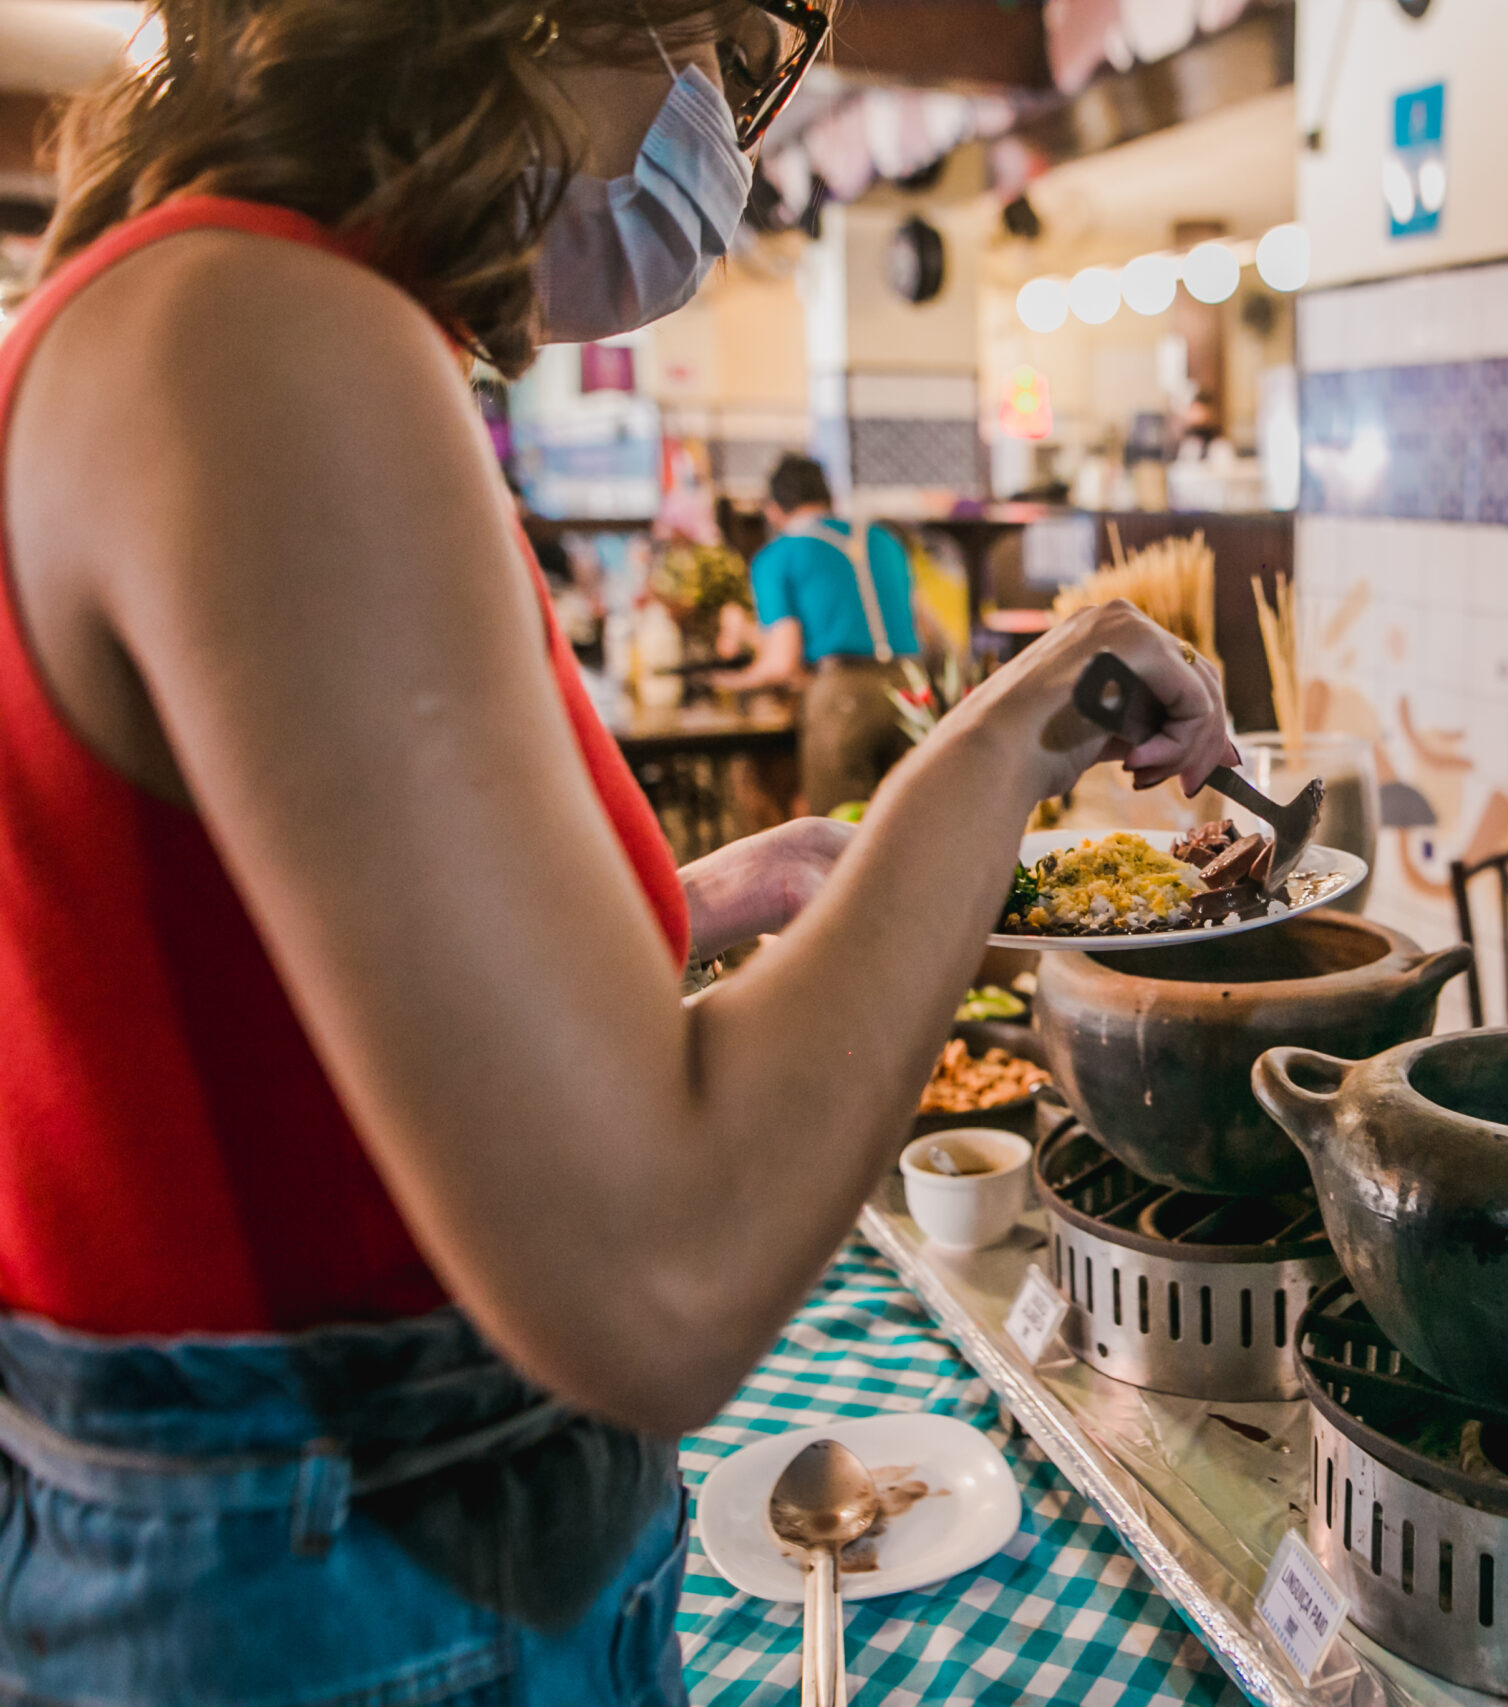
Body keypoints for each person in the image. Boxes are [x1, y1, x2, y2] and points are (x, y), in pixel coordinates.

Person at [0, 2, 1233, 1700]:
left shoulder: (201, 312)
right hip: (342, 1567)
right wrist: (1014, 733)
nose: (729, 130)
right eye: (731, 56)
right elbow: (663, 1278)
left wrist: (713, 896)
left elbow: (293, 994)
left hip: (314, 1536)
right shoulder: (267, 338)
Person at [714, 452, 922, 813]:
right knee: (913, 823)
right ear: (830, 499)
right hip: (912, 688)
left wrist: (728, 682)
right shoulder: (884, 540)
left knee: (841, 837)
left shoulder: (777, 556)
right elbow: (915, 624)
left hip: (842, 698)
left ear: (773, 510)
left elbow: (781, 661)